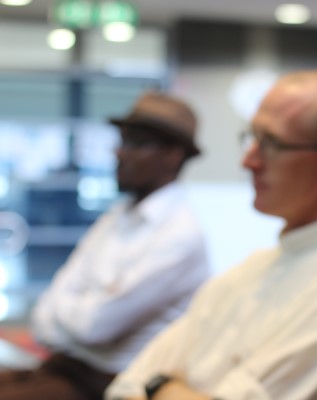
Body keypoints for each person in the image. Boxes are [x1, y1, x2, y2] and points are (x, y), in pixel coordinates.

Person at [105, 70, 317, 400]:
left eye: (271, 143)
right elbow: (124, 387)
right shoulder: (251, 268)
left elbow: (143, 382)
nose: (248, 160)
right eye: (252, 138)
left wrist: (160, 385)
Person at [0, 92, 210, 400]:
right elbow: (46, 310)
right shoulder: (117, 217)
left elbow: (94, 328)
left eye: (137, 143)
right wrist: (82, 306)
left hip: (112, 386)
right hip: (65, 369)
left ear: (173, 156)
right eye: (122, 140)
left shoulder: (179, 236)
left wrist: (71, 308)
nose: (119, 152)